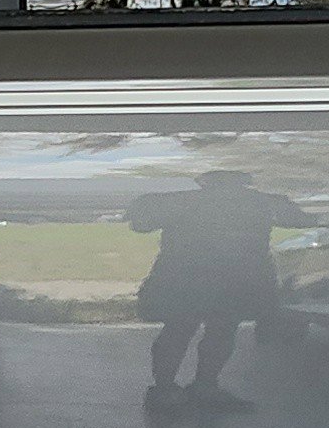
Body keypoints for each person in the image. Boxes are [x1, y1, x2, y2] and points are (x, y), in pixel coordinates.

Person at [127, 165, 303, 410]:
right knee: (198, 330)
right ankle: (178, 389)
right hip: (207, 279)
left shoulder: (185, 202)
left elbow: (139, 223)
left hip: (205, 279)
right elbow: (301, 219)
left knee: (203, 330)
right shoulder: (258, 203)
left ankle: (187, 388)